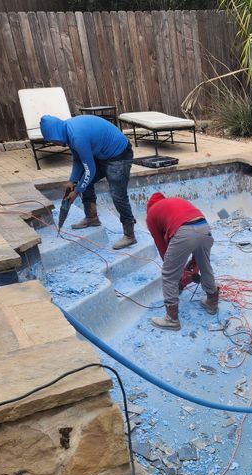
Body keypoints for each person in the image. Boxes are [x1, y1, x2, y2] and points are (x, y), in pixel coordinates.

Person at [39, 114, 136, 250]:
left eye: (52, 140)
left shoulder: (77, 137)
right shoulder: (68, 131)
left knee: (117, 194)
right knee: (84, 182)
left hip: (119, 154)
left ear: (56, 134)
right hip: (102, 153)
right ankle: (92, 218)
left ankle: (130, 235)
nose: (53, 143)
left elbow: (89, 169)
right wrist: (72, 180)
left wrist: (77, 191)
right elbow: (78, 159)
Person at [146, 192, 219, 330]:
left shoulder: (151, 214)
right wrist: (190, 265)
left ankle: (171, 319)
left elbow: (162, 247)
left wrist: (174, 270)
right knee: (205, 265)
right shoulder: (174, 201)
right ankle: (212, 301)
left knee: (168, 274)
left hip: (183, 231)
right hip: (204, 227)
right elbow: (194, 228)